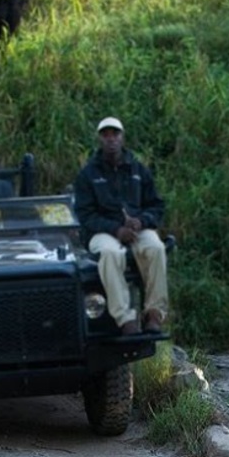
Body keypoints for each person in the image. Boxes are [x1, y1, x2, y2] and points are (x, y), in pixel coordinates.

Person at [74, 116, 168, 335]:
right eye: (106, 135)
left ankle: (154, 313)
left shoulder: (138, 170)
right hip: (102, 231)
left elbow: (156, 206)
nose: (111, 139)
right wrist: (116, 229)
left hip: (137, 229)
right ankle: (125, 318)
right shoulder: (88, 174)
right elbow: (86, 215)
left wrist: (142, 220)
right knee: (109, 253)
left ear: (122, 137)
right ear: (100, 139)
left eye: (115, 134)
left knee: (156, 248)